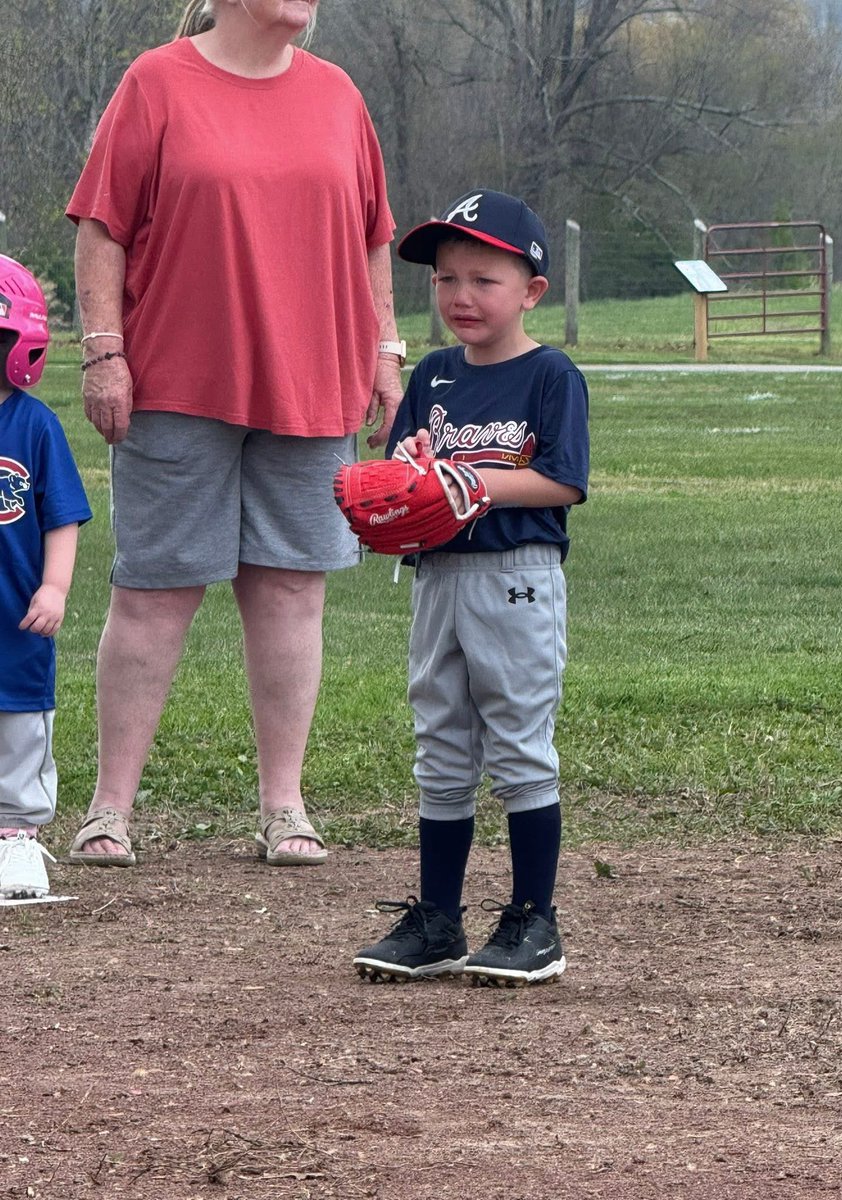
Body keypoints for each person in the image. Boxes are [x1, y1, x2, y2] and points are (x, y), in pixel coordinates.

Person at [65, 0, 404, 868]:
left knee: (293, 590)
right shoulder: (156, 82)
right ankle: (110, 809)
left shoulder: (338, 95)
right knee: (154, 592)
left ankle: (284, 806)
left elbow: (373, 238)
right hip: (179, 378)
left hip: (314, 379)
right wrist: (104, 352)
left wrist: (385, 350)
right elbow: (102, 229)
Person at [353, 190, 590, 987]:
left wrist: (472, 483)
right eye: (447, 278)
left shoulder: (550, 374)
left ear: (531, 290)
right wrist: (411, 470)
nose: (461, 295)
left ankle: (534, 921)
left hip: (516, 578)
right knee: (442, 747)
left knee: (520, 744)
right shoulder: (435, 375)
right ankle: (439, 921)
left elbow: (560, 481)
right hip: (438, 576)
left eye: (484, 279)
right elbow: (401, 477)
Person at [0, 256, 92, 898]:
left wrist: (55, 586)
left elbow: (62, 517)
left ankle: (17, 840)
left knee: (19, 731)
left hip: (15, 617)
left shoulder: (35, 425)